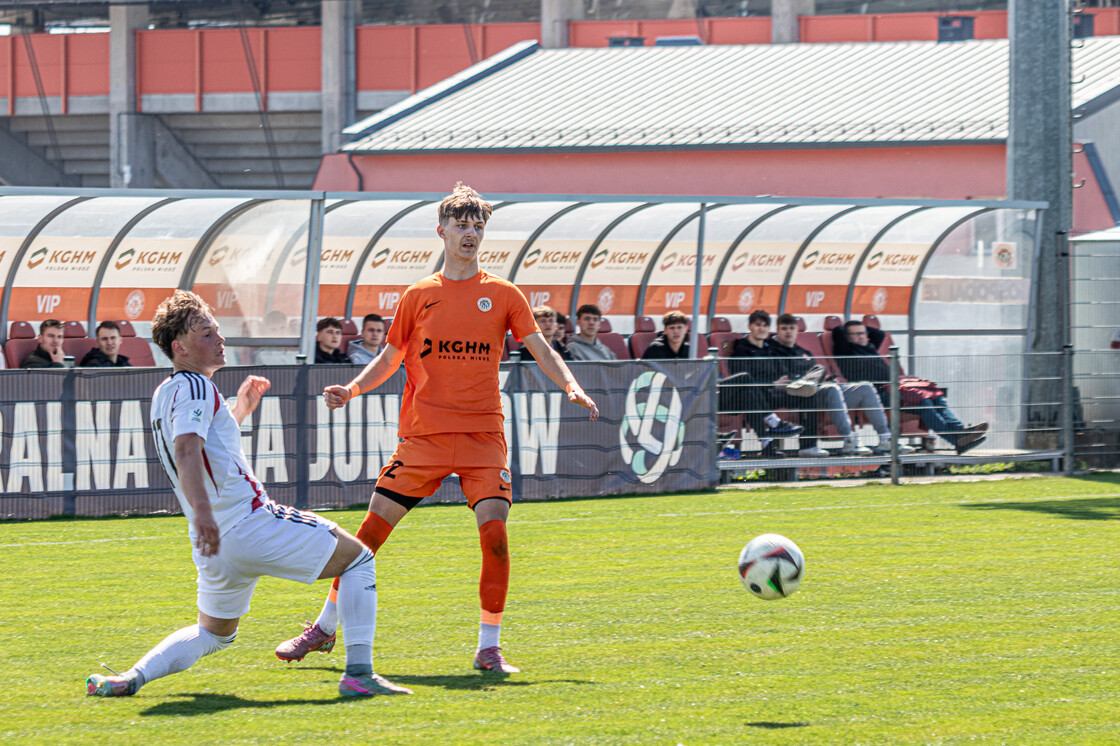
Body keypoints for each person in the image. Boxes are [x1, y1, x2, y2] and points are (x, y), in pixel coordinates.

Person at [275, 183, 599, 675]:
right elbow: (390, 357)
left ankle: (489, 647)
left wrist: (571, 385)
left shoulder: (503, 294)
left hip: (482, 439)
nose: (470, 234)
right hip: (423, 440)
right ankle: (323, 629)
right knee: (365, 542)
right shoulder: (418, 295)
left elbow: (541, 347)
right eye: (462, 225)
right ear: (442, 231)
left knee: (495, 537)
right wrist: (353, 389)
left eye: (478, 226)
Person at [86, 290, 409, 699]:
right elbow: (186, 448)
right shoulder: (196, 386)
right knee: (359, 558)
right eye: (207, 333)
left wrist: (239, 411)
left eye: (218, 330)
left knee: (213, 634)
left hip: (213, 545)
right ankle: (359, 674)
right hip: (247, 522)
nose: (219, 338)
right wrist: (203, 511)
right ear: (179, 347)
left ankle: (131, 678)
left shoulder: (168, 390)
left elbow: (202, 446)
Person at [831, 320, 988, 455]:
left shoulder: (870, 346)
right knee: (923, 403)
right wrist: (846, 328)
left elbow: (879, 334)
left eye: (863, 333)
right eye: (856, 334)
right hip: (877, 394)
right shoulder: (845, 350)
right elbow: (837, 331)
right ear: (847, 337)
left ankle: (959, 432)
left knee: (936, 397)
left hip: (895, 388)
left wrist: (862, 329)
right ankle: (957, 439)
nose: (862, 336)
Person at [769, 314, 911, 455]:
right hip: (799, 393)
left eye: (792, 328)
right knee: (831, 388)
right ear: (777, 330)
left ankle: (886, 438)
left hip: (820, 389)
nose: (788, 332)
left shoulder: (803, 351)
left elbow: (816, 372)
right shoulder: (772, 350)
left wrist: (826, 379)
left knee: (865, 387)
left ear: (796, 331)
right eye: (784, 328)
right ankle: (849, 440)